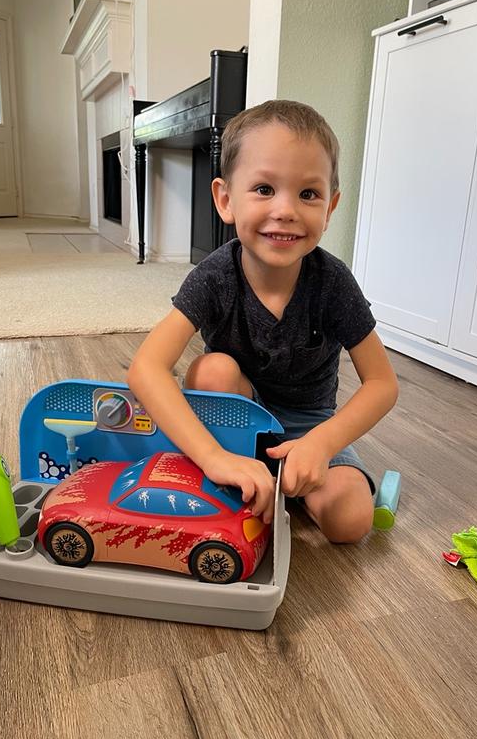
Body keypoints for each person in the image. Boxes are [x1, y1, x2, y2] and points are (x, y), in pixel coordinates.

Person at [128, 99, 398, 544]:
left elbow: (382, 384)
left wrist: (321, 444)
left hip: (309, 425)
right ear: (225, 200)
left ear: (330, 208)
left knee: (351, 522)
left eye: (308, 194)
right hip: (233, 415)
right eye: (264, 189)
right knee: (212, 370)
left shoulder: (333, 283)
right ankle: (241, 467)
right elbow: (146, 368)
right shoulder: (214, 276)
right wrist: (213, 457)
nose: (286, 209)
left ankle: (279, 477)